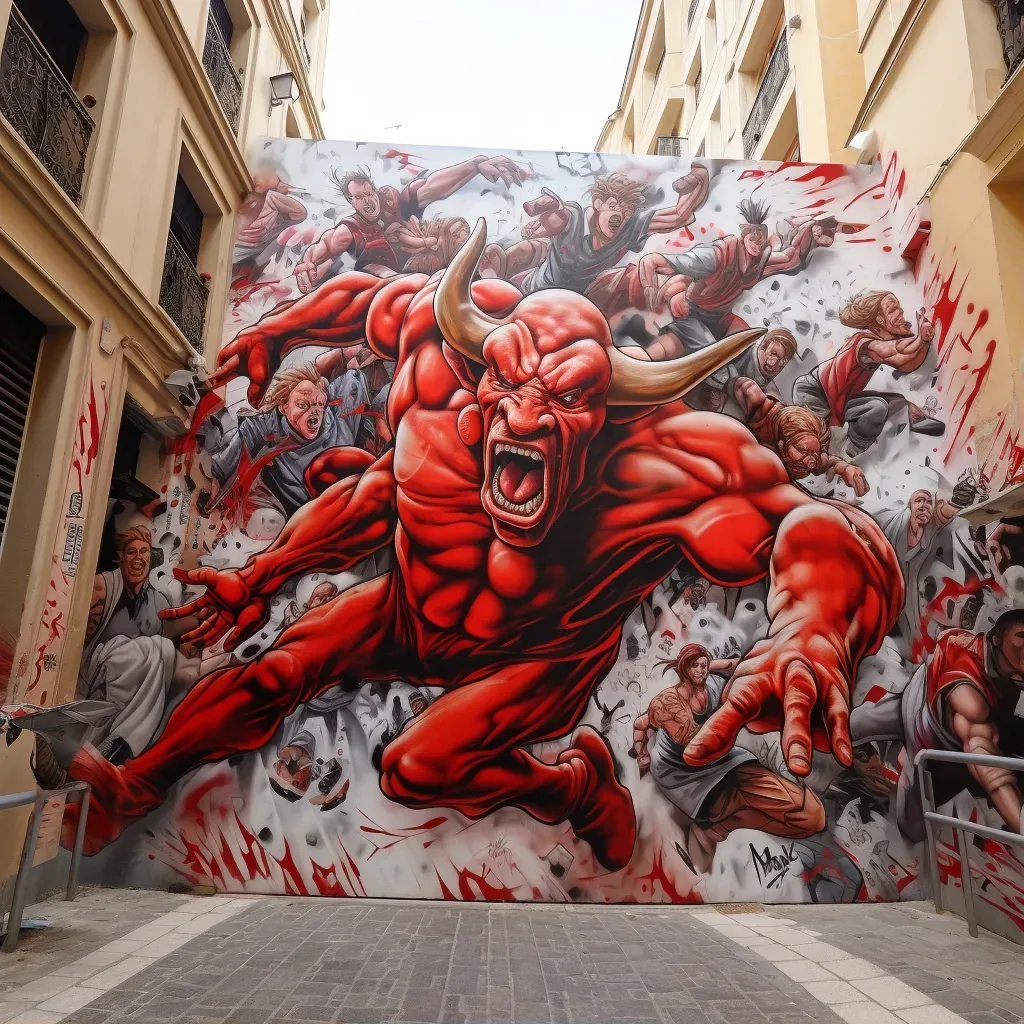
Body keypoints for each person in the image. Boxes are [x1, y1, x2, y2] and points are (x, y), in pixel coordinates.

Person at [64, 221, 903, 870]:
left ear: (605, 407)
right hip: (411, 609)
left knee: (415, 767)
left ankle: (570, 786)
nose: (528, 414)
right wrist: (277, 335)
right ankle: (139, 783)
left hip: (539, 653)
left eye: (566, 395)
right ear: (479, 376)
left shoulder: (665, 455)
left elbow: (823, 526)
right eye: (509, 382)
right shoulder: (438, 365)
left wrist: (814, 628)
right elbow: (363, 322)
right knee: (278, 666)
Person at [633, 644, 825, 871]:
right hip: (687, 777)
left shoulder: (714, 686)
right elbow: (646, 726)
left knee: (814, 818)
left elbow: (735, 666)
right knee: (811, 816)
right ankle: (717, 828)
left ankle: (720, 828)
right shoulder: (668, 704)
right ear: (684, 669)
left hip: (727, 761)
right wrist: (640, 753)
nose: (701, 671)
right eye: (695, 666)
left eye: (704, 666)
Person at [851, 611, 1024, 842]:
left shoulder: (1009, 679)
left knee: (913, 827)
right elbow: (974, 710)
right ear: (997, 639)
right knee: (859, 723)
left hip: (943, 746)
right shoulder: (962, 649)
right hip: (917, 710)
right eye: (1021, 635)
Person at [632, 201, 839, 358]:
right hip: (691, 314)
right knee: (705, 348)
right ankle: (643, 361)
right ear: (744, 237)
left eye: (761, 243)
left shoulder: (759, 260)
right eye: (752, 240)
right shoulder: (717, 254)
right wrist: (649, 284)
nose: (756, 247)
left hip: (720, 318)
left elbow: (789, 259)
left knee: (745, 345)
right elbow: (656, 261)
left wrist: (811, 230)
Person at [294, 155, 528, 287]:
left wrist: (474, 165)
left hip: (431, 257)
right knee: (378, 273)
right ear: (351, 202)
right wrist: (306, 263)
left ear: (375, 190)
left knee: (455, 228)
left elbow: (430, 186)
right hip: (395, 281)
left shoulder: (392, 199)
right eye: (359, 198)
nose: (368, 202)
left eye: (369, 193)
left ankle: (487, 282)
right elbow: (321, 248)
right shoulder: (349, 230)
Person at [74, 527, 200, 764]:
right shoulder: (102, 587)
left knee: (162, 652)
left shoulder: (158, 601)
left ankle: (116, 743)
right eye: (131, 552)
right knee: (158, 648)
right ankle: (124, 739)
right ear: (120, 556)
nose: (138, 558)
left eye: (143, 552)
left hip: (128, 686)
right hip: (95, 669)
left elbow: (171, 643)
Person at [499, 166, 710, 301]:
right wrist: (546, 213)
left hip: (572, 302)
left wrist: (700, 176)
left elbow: (680, 216)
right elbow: (557, 217)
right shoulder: (574, 218)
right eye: (613, 205)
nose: (620, 213)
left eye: (627, 210)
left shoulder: (631, 227)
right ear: (598, 204)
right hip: (532, 293)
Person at [209, 359, 372, 519]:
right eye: (302, 404)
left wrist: (348, 357)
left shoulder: (339, 422)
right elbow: (243, 437)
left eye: (319, 405)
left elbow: (351, 376)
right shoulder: (271, 427)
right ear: (283, 407)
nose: (314, 412)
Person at [791, 291, 940, 459]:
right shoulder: (864, 341)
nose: (900, 313)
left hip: (841, 398)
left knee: (883, 405)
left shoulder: (880, 344)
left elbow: (903, 362)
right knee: (822, 442)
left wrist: (924, 340)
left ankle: (849, 453)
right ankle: (834, 458)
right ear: (879, 320)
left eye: (899, 307)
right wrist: (920, 338)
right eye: (892, 310)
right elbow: (891, 350)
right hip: (813, 392)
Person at [876, 476, 984, 657]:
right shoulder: (894, 526)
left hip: (905, 600)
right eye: (919, 500)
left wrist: (958, 500)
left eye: (928, 501)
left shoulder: (928, 529)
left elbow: (943, 514)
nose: (924, 505)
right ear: (908, 507)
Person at [735, 378, 868, 496]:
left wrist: (846, 468)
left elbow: (827, 462)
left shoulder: (806, 441)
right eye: (804, 451)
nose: (811, 459)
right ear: (782, 445)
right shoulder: (757, 440)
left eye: (814, 452)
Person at [232, 171, 308, 284]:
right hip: (241, 246)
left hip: (246, 250)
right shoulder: (269, 201)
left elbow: (300, 213)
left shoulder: (273, 206)